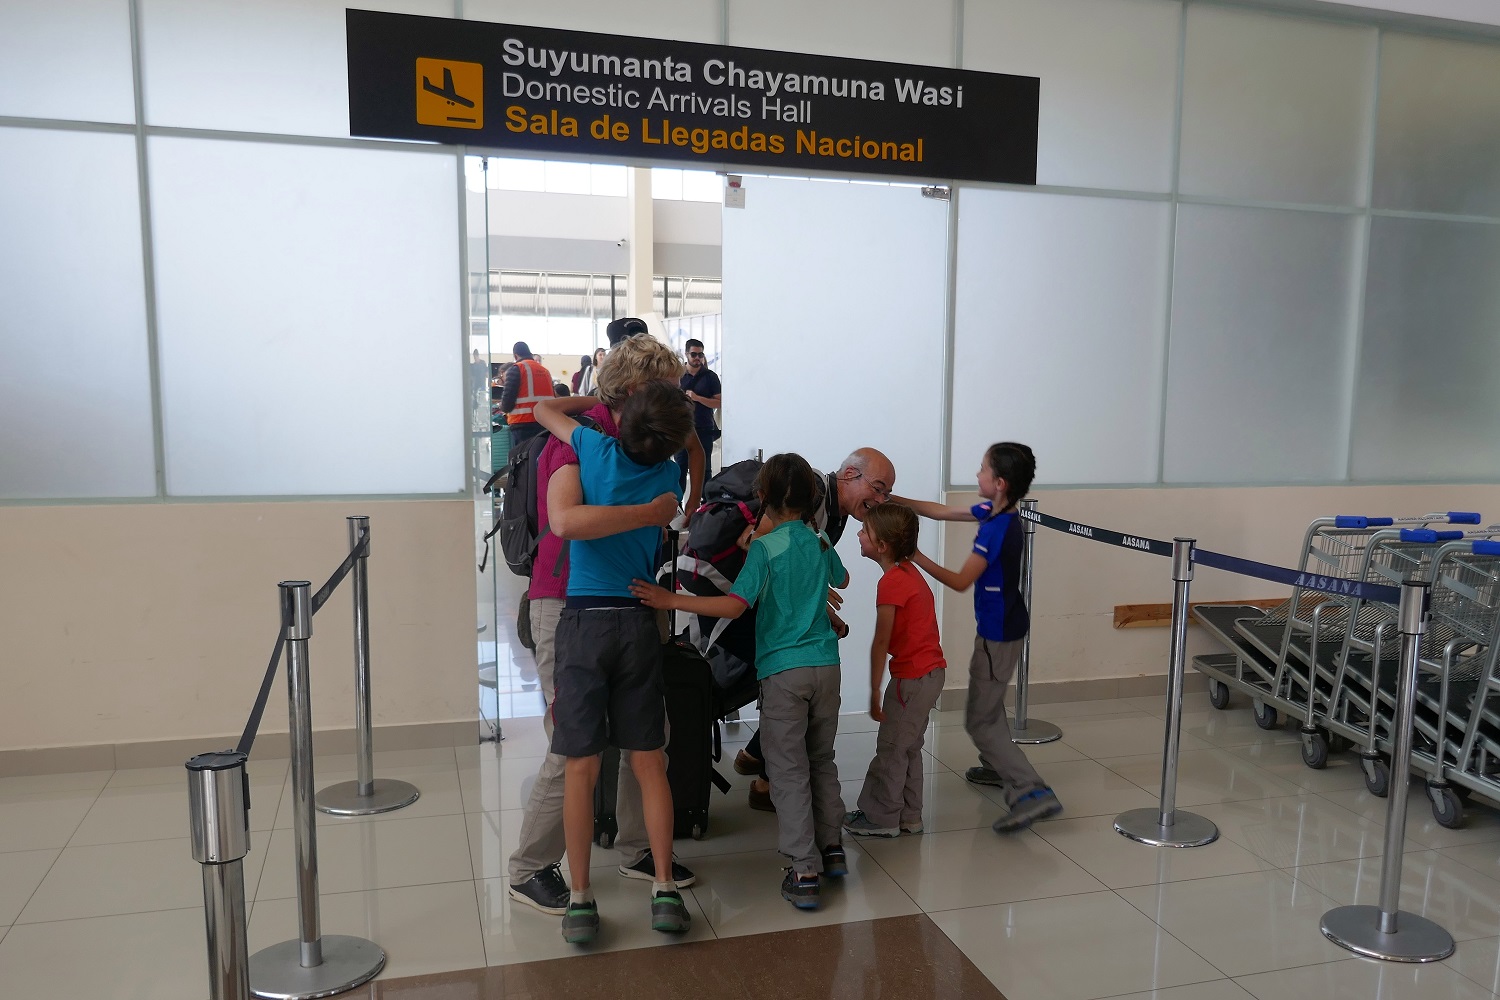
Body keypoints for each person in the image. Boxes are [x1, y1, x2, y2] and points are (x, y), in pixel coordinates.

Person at [505, 334, 705, 919]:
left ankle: (640, 850)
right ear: (636, 389)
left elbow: (692, 447)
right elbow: (566, 520)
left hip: (631, 603)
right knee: (571, 746)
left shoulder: (644, 443)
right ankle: (529, 867)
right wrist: (652, 513)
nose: (676, 399)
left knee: (648, 739)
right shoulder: (580, 443)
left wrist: (683, 501)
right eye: (667, 388)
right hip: (566, 601)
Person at [633, 453, 851, 910]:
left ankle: (804, 870)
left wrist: (672, 600)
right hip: (827, 668)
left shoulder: (764, 550)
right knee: (821, 760)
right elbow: (843, 579)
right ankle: (832, 850)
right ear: (813, 498)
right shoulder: (820, 540)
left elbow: (734, 607)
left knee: (788, 769)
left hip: (784, 673)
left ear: (764, 497)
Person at [894, 443, 1063, 833]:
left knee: (979, 721)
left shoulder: (994, 529)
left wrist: (915, 555)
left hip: (998, 635)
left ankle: (1031, 791)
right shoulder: (998, 512)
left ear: (999, 483)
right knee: (988, 703)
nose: (977, 473)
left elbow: (959, 581)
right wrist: (893, 499)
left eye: (983, 468)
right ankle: (998, 766)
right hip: (1000, 627)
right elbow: (940, 511)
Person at [734, 448, 897, 811]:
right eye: (878, 488)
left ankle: (760, 764)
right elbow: (760, 542)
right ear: (850, 475)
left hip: (787, 644)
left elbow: (797, 566)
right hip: (792, 641)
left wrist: (818, 603)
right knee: (808, 744)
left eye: (887, 494)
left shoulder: (833, 516)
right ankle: (772, 785)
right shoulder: (818, 506)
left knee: (793, 726)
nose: (881, 500)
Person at [842, 503, 946, 838]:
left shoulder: (892, 583)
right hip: (930, 674)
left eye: (865, 531)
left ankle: (881, 817)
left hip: (911, 679)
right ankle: (909, 816)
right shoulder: (909, 573)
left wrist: (874, 690)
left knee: (890, 748)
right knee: (908, 746)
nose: (859, 534)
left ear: (882, 546)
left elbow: (881, 641)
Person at [674, 338, 722, 495]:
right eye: (694, 354)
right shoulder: (678, 375)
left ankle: (706, 503)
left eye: (701, 355)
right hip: (681, 429)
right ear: (686, 354)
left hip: (704, 428)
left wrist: (698, 398)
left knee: (705, 469)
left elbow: (719, 402)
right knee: (680, 468)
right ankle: (678, 505)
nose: (697, 358)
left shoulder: (710, 377)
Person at [498, 341, 555, 449]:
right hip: (545, 422)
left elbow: (507, 403)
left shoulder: (516, 369)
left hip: (522, 423)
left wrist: (501, 406)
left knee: (523, 457)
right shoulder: (545, 371)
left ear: (515, 356)